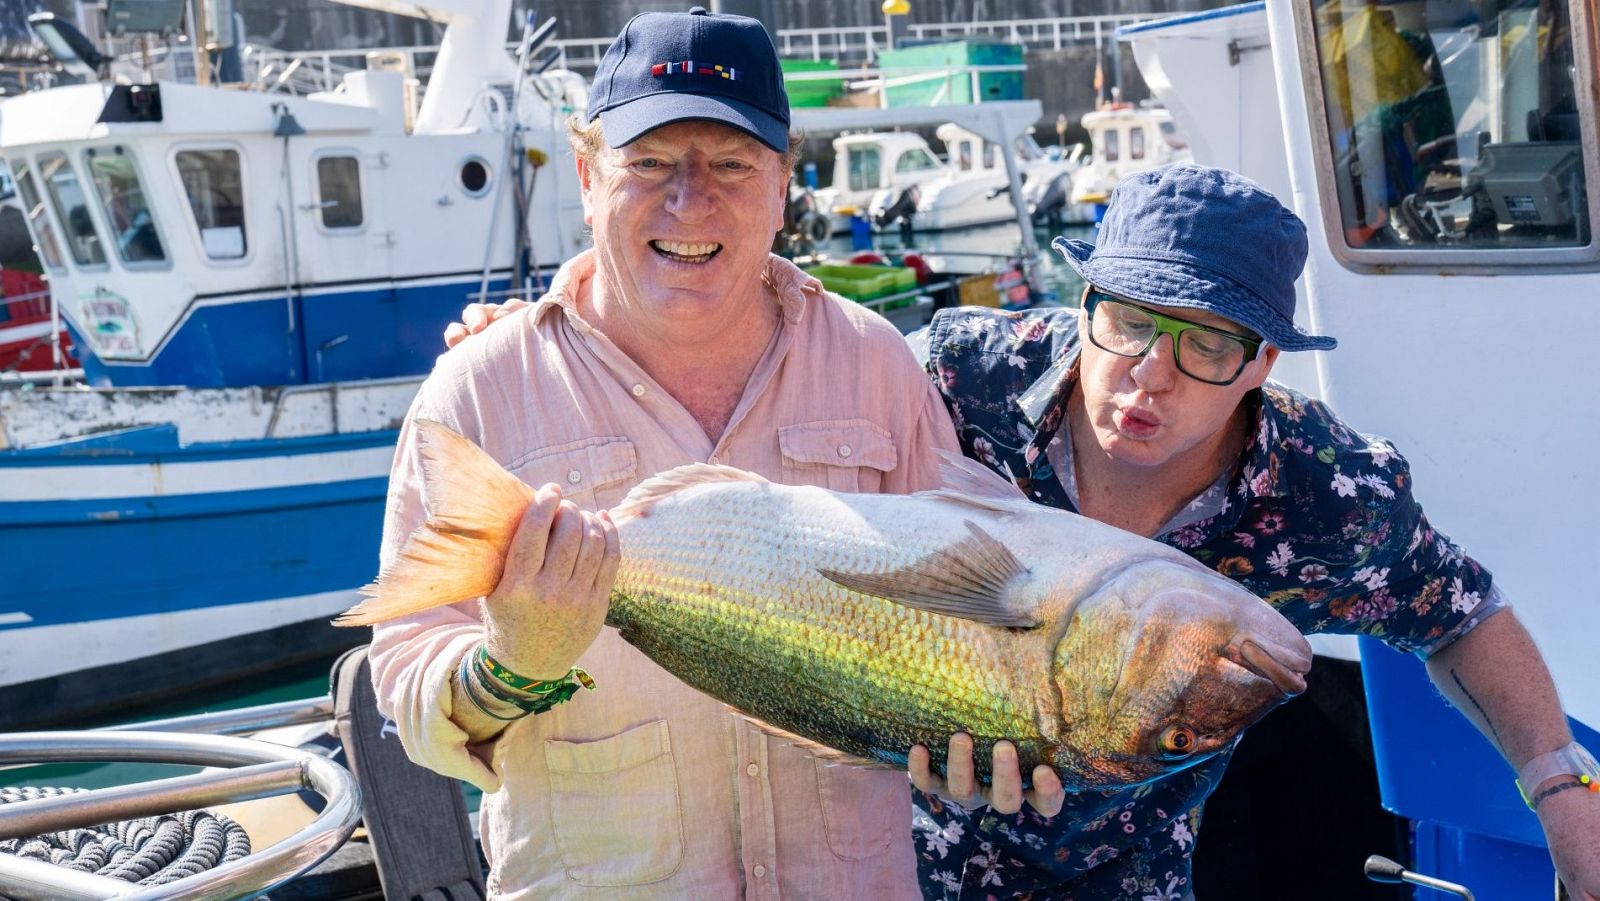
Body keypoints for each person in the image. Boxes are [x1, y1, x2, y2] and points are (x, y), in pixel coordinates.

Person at [368, 7, 963, 898]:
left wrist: (990, 733)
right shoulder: (475, 393)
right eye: (648, 163)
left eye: (731, 163)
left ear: (784, 185)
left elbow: (963, 600)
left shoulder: (877, 361)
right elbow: (408, 682)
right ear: (585, 174)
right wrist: (512, 666)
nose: (692, 200)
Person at [909, 164, 1599, 900]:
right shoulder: (954, 381)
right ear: (1085, 306)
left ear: (1262, 362)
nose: (1150, 372)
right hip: (874, 845)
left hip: (1117, 880)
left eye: (1205, 344)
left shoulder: (1325, 495)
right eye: (1130, 320)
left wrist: (1561, 787)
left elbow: (1462, 616)